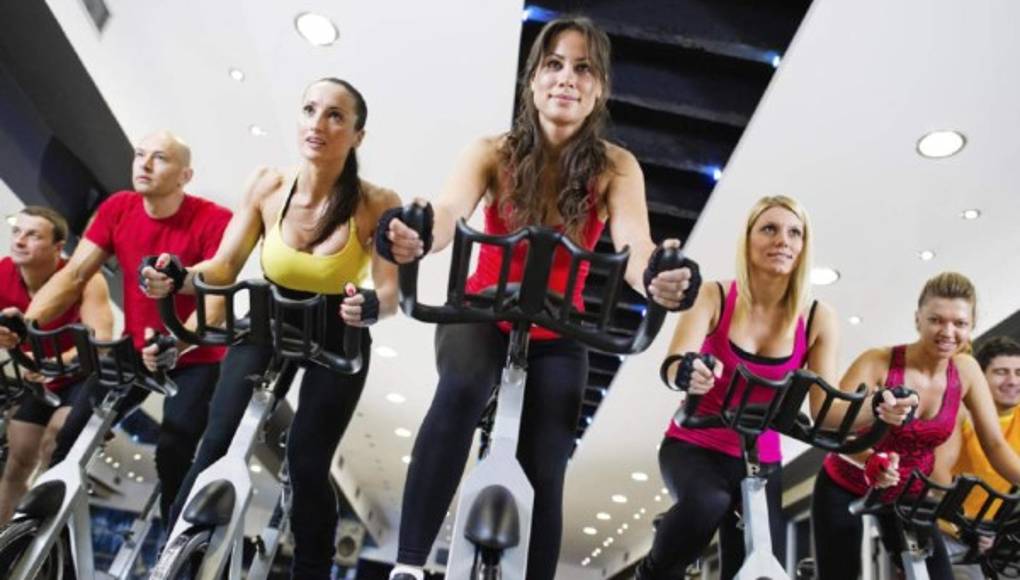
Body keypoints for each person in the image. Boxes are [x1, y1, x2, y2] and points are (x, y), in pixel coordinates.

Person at [379, 17, 696, 580]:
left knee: (547, 463)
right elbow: (448, 212)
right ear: (532, 81)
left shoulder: (615, 167)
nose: (566, 78)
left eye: (583, 69)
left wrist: (657, 276)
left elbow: (636, 247)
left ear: (599, 89)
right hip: (482, 311)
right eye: (553, 65)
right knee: (462, 390)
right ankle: (407, 566)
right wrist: (420, 234)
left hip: (559, 328)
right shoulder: (491, 151)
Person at [142, 77, 400, 579]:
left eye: (335, 116)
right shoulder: (267, 185)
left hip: (339, 332)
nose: (318, 123)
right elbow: (222, 267)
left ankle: (311, 570)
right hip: (268, 317)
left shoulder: (376, 201)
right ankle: (168, 562)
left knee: (305, 461)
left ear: (357, 136)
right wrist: (179, 276)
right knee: (215, 443)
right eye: (310, 110)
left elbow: (389, 293)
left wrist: (371, 305)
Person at [637, 195, 866, 579]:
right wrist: (688, 371)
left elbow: (826, 412)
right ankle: (653, 570)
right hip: (694, 444)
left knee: (756, 561)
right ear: (748, 240)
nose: (783, 240)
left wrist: (880, 407)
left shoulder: (817, 318)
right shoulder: (714, 296)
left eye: (794, 233)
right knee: (709, 501)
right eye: (769, 229)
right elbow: (674, 363)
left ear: (803, 246)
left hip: (760, 460)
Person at [24, 131, 232, 521]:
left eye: (160, 158)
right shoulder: (119, 207)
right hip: (134, 348)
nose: (145, 164)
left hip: (194, 356)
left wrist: (174, 346)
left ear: (185, 176)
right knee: (69, 435)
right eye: (139, 155)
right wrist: (26, 324)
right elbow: (73, 276)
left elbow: (215, 302)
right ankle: (44, 536)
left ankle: (176, 538)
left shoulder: (215, 219)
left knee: (173, 453)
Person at [811, 272, 1020, 580]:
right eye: (936, 320)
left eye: (959, 323)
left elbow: (995, 444)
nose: (947, 332)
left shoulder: (966, 371)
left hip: (909, 493)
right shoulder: (878, 361)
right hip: (846, 483)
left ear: (971, 326)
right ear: (918, 319)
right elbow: (829, 425)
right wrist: (869, 459)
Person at [0, 206, 112, 524]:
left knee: (55, 441)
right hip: (38, 378)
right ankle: (6, 539)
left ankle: (38, 529)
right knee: (19, 459)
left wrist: (54, 363)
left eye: (33, 235)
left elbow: (101, 340)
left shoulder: (87, 279)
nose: (20, 240)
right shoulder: (3, 272)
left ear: (58, 247)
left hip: (80, 377)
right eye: (17, 231)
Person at [932, 336, 1020, 578]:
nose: (1012, 381)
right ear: (979, 378)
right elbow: (939, 472)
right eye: (1001, 372)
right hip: (945, 527)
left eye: (1018, 372)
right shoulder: (959, 412)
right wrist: (963, 527)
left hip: (989, 531)